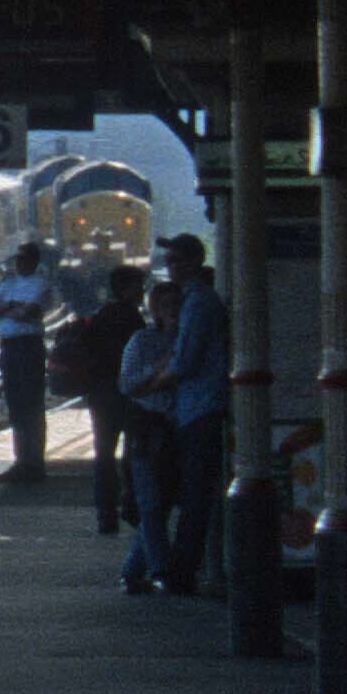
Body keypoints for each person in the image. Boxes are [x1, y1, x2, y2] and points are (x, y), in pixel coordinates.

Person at [142, 234, 235, 594]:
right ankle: (185, 566)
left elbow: (187, 361)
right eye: (168, 260)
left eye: (178, 260)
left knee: (195, 492)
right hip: (197, 406)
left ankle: (183, 571)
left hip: (201, 406)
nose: (171, 266)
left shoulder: (198, 303)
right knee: (193, 490)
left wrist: (152, 383)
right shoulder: (196, 301)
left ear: (196, 261)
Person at [65, 259, 146, 534]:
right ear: (126, 288)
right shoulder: (132, 317)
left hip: (101, 392)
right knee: (134, 451)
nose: (143, 292)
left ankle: (106, 515)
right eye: (139, 287)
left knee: (104, 453)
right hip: (126, 392)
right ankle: (133, 508)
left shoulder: (101, 315)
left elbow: (86, 347)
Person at [0, 239, 52, 475]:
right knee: (15, 404)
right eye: (17, 259)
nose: (19, 263)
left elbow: (30, 313)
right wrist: (15, 308)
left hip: (29, 346)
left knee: (32, 403)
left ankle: (35, 461)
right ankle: (21, 460)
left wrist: (8, 308)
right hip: (9, 346)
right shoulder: (8, 283)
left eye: (23, 259)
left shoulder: (41, 284)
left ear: (34, 261)